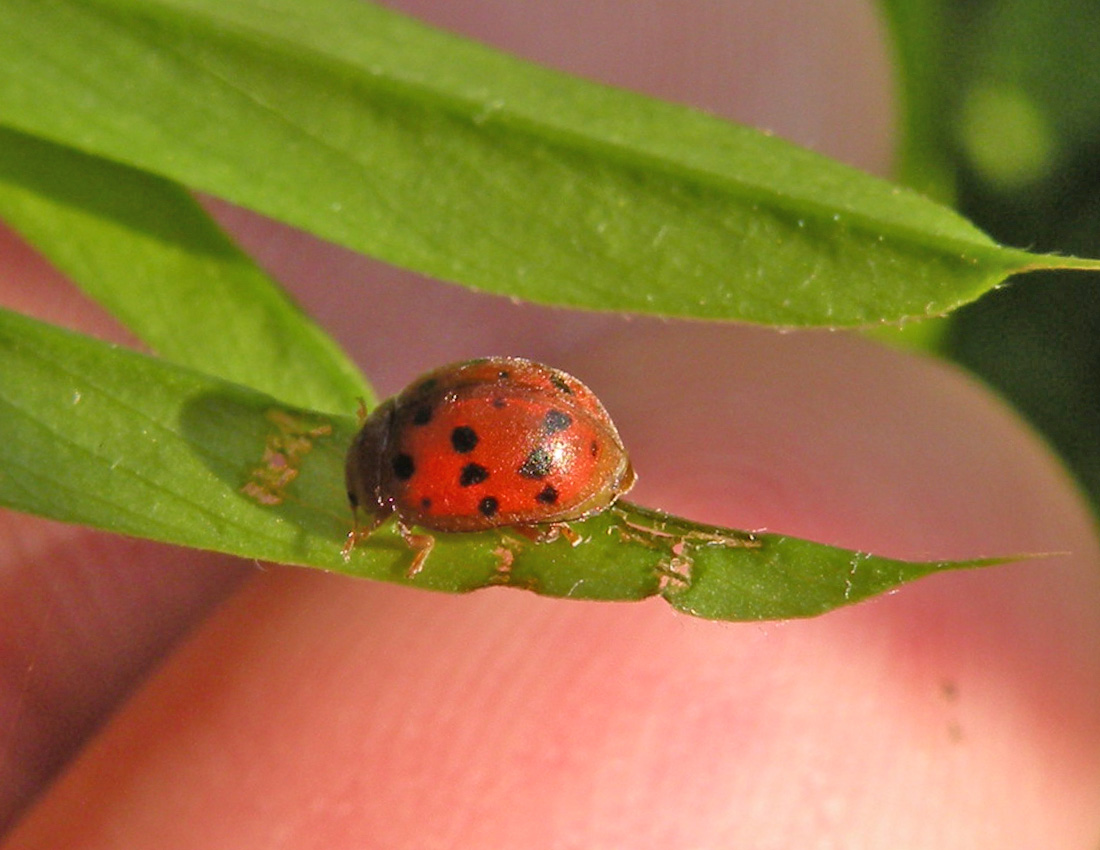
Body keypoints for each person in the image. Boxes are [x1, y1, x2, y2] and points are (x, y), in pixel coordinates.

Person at [2, 2, 1098, 846]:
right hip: (564, 431)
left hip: (570, 444)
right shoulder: (409, 433)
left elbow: (462, 477)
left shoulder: (413, 465)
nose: (382, 508)